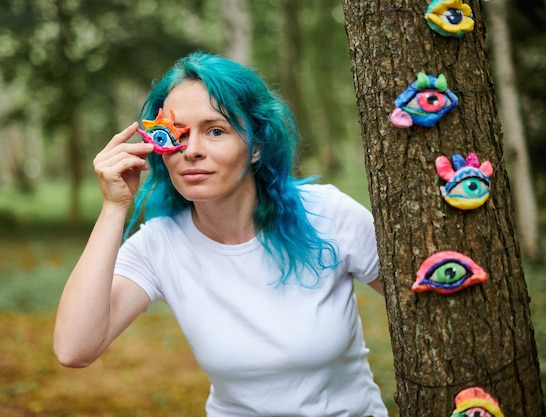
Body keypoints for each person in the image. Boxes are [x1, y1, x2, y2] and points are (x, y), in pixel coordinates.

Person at [54, 51, 389, 417]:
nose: (192, 151)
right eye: (176, 134)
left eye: (215, 131)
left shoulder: (327, 214)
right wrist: (113, 209)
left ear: (257, 146)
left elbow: (422, 300)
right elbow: (74, 349)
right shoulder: (160, 245)